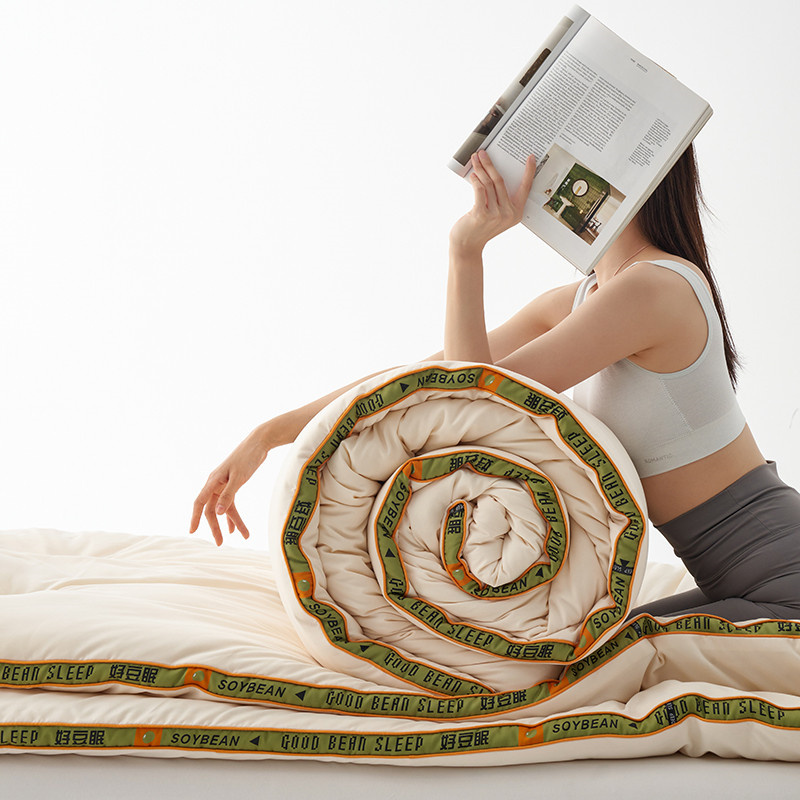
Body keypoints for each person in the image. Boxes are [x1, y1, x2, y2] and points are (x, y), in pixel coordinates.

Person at [190, 144, 800, 623]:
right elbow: (422, 381)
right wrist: (267, 434)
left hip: (785, 578)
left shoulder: (654, 288)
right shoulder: (586, 298)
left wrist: (466, 251)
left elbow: (469, 400)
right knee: (583, 659)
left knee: (600, 665)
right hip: (749, 576)